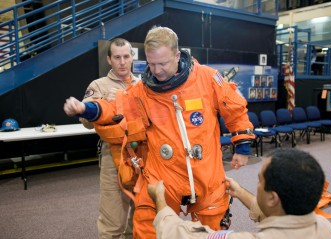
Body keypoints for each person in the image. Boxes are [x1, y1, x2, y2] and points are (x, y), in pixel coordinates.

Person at [63, 26, 255, 238]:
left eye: (163, 63)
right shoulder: (141, 91)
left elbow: (234, 108)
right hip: (163, 175)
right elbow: (115, 109)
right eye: (151, 64)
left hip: (205, 174)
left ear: (177, 55)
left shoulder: (207, 78)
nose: (157, 70)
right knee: (147, 227)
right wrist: (86, 109)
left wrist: (242, 147)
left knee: (211, 230)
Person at [147, 148, 331, 239]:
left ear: (273, 198)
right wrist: (239, 193)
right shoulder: (325, 227)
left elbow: (184, 235)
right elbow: (278, 215)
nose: (256, 185)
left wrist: (160, 202)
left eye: (260, 181)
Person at [80, 38, 138, 239]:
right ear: (109, 60)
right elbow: (86, 121)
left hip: (143, 156)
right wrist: (106, 101)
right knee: (112, 221)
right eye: (117, 57)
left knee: (142, 216)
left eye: (126, 56)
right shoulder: (99, 85)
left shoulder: (142, 85)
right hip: (114, 159)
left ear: (132, 57)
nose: (122, 62)